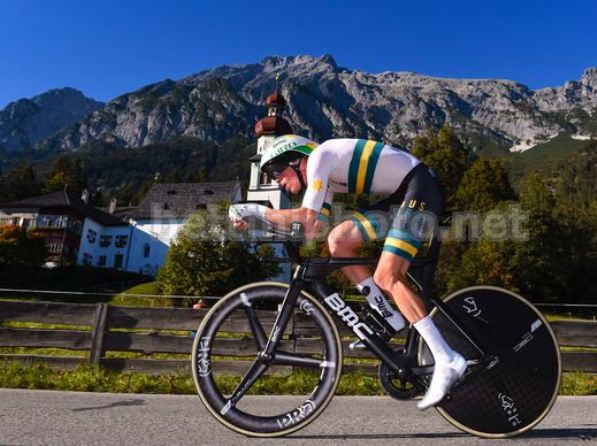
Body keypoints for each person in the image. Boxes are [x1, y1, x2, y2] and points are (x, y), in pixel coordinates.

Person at [229, 134, 466, 410]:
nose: (274, 180)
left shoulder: (320, 157)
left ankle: (447, 358)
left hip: (420, 188)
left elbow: (305, 217)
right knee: (338, 241)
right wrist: (263, 226)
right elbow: (313, 227)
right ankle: (388, 315)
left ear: (296, 160)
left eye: (274, 171)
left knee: (387, 275)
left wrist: (252, 209)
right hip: (400, 197)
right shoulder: (325, 180)